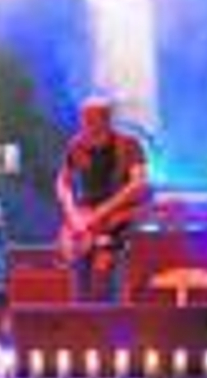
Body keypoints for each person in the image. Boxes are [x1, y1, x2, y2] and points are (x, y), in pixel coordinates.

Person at [54, 97, 150, 302]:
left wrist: (102, 212)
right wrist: (73, 215)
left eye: (91, 118)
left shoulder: (129, 145)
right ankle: (82, 322)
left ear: (106, 118)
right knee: (78, 279)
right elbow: (62, 183)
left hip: (118, 221)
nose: (86, 124)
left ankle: (111, 322)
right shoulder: (77, 145)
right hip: (84, 223)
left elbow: (138, 184)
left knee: (106, 273)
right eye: (84, 119)